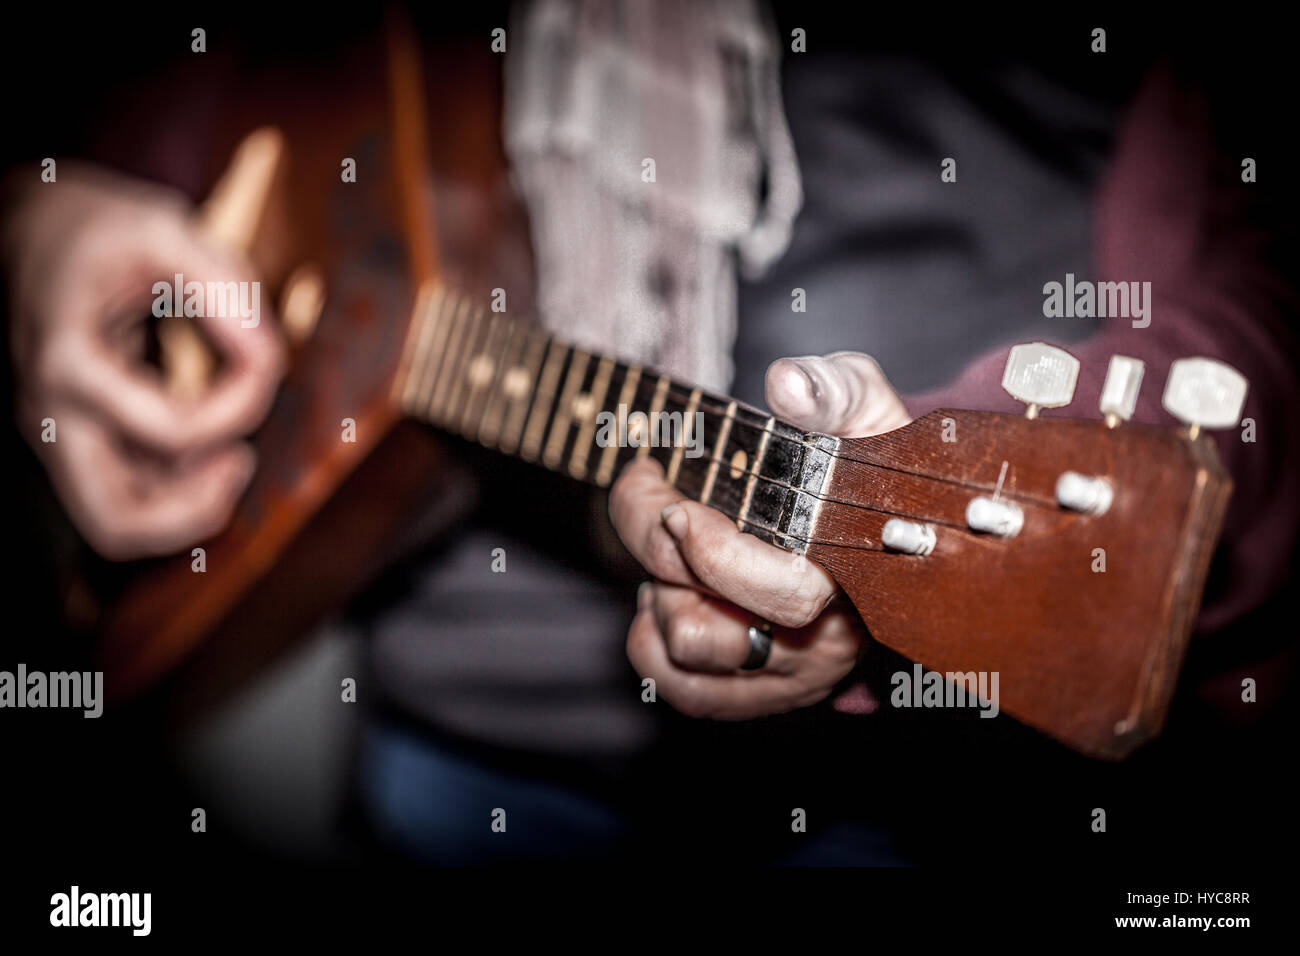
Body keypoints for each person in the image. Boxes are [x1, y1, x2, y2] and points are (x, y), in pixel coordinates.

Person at [5, 4, 1297, 865]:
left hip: (914, 800)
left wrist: (977, 460)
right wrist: (38, 223)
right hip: (442, 741)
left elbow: (1259, 278)